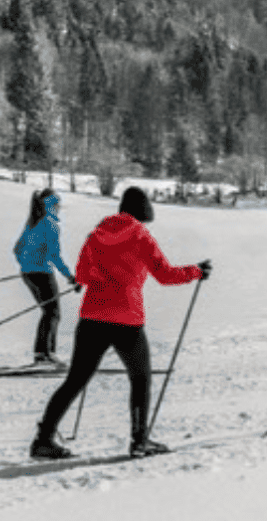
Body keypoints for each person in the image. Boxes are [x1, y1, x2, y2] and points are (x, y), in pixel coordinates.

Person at [30, 185, 211, 459]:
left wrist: (89, 280)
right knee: (140, 379)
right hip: (126, 319)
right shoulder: (140, 235)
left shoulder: (97, 234)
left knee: (75, 380)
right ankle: (140, 441)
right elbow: (165, 275)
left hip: (92, 317)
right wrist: (196, 271)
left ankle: (42, 441)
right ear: (144, 210)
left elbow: (82, 274)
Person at [14, 188, 77, 365]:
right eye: (58, 205)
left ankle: (42, 353)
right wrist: (69, 276)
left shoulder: (32, 222)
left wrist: (27, 265)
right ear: (52, 206)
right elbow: (54, 256)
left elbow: (17, 249)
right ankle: (45, 354)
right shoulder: (50, 224)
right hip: (42, 273)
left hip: (28, 274)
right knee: (52, 313)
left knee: (48, 312)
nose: (59, 209)